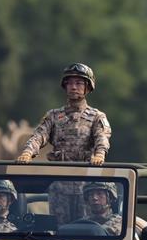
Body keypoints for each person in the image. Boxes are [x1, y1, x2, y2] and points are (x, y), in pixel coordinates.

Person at [16, 63, 112, 225]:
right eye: (70, 83)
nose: (73, 87)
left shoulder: (96, 116)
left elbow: (102, 137)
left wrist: (100, 153)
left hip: (86, 186)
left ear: (87, 87)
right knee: (59, 229)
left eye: (79, 83)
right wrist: (28, 152)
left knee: (86, 227)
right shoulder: (54, 116)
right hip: (59, 184)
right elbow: (39, 135)